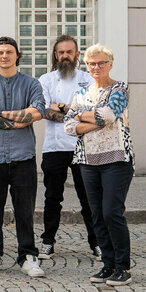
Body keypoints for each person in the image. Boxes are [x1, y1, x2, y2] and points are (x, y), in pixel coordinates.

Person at [0, 36, 46, 277]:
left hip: (22, 156)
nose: (4, 56)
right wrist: (17, 118)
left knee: (24, 210)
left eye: (9, 52)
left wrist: (0, 114)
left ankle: (28, 256)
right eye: (0, 52)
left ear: (17, 55)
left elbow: (37, 112)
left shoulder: (32, 83)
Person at [64, 44, 134, 286]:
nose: (96, 67)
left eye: (101, 63)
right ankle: (108, 264)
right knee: (96, 215)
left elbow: (108, 115)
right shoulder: (81, 92)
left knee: (111, 212)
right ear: (87, 65)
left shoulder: (119, 88)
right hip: (87, 160)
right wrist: (93, 118)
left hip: (116, 159)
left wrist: (81, 116)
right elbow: (67, 125)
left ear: (110, 64)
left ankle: (123, 267)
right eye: (92, 63)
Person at [38, 34, 98, 260]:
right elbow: (44, 111)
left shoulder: (88, 79)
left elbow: (93, 111)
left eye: (69, 52)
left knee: (89, 198)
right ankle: (47, 242)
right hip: (54, 147)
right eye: (61, 52)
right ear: (55, 54)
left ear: (77, 55)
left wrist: (61, 107)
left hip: (84, 146)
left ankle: (97, 243)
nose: (65, 56)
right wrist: (75, 111)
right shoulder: (45, 80)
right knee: (53, 197)